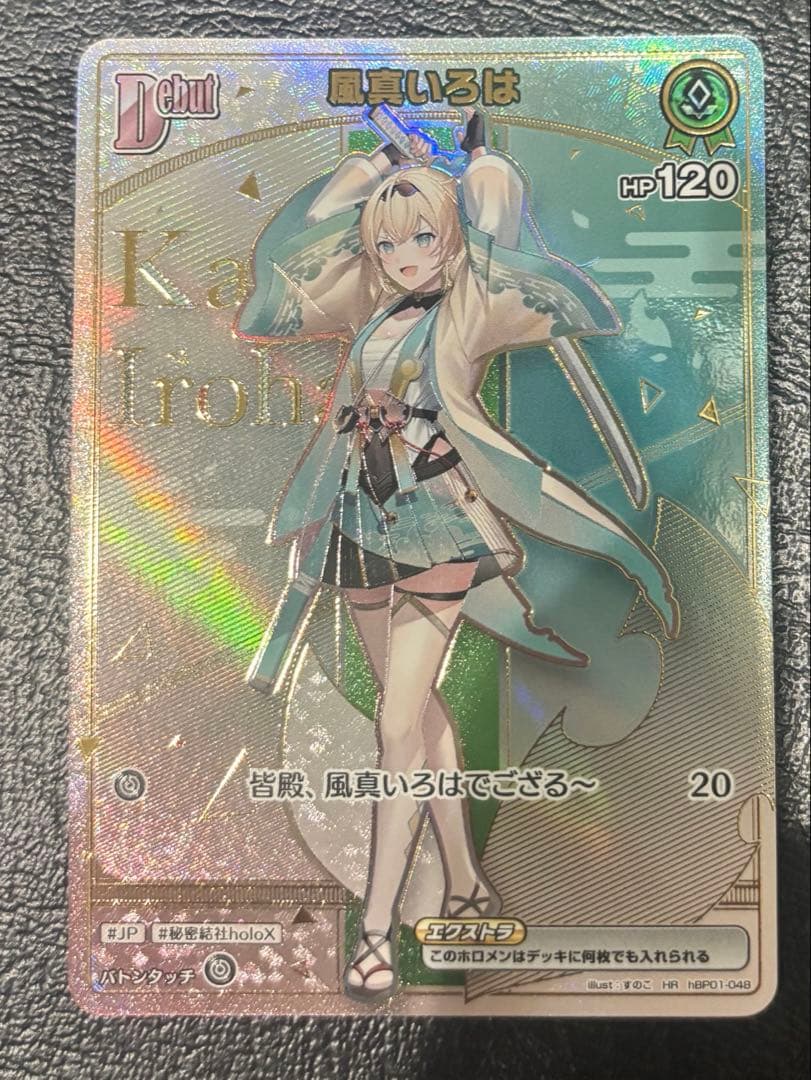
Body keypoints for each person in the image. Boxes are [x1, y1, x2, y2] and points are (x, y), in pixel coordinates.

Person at [235, 108, 679, 1002]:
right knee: (416, 714)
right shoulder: (369, 306)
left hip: (437, 525)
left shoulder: (470, 306)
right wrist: (370, 168)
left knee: (396, 727)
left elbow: (500, 222)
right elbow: (284, 272)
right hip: (357, 518)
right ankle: (467, 881)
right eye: (387, 242)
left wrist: (480, 166)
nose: (404, 257)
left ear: (449, 237)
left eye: (421, 238)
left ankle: (376, 927)